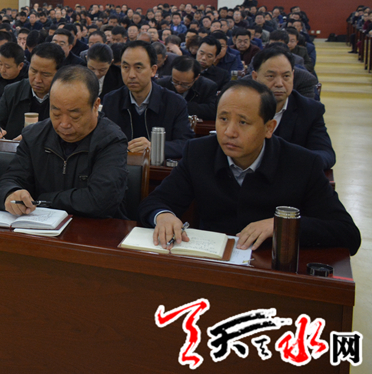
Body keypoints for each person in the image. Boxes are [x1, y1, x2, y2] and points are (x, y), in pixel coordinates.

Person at [139, 80, 359, 255]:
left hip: (272, 271)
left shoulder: (302, 164)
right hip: (213, 265)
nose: (229, 132)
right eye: (223, 119)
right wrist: (163, 216)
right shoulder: (199, 153)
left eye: (243, 122)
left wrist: (281, 226)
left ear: (269, 128)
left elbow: (347, 233)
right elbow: (155, 202)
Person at [0, 66, 129, 218]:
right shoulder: (34, 136)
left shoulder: (111, 140)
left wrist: (44, 200)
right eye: (56, 113)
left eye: (74, 116)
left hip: (94, 228)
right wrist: (11, 193)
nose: (64, 124)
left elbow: (101, 200)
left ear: (96, 105)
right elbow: (8, 181)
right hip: (37, 226)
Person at [101, 40, 193, 159]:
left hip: (158, 169)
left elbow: (185, 143)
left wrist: (154, 147)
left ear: (153, 70)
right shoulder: (111, 100)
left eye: (138, 67)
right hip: (120, 167)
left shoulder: (175, 103)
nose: (131, 75)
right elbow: (102, 141)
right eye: (125, 67)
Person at [251, 46, 335, 168]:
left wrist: (290, 163)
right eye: (271, 76)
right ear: (255, 77)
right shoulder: (238, 105)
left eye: (286, 76)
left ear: (293, 76)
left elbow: (326, 154)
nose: (279, 84)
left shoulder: (310, 110)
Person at [0, 43, 64, 141]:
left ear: (59, 73)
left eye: (45, 74)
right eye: (33, 71)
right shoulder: (13, 91)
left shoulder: (66, 97)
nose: (37, 80)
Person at [157, 56, 218, 121]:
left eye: (185, 84)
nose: (178, 87)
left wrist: (180, 105)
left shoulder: (208, 87)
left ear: (196, 77)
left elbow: (211, 111)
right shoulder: (161, 84)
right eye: (175, 81)